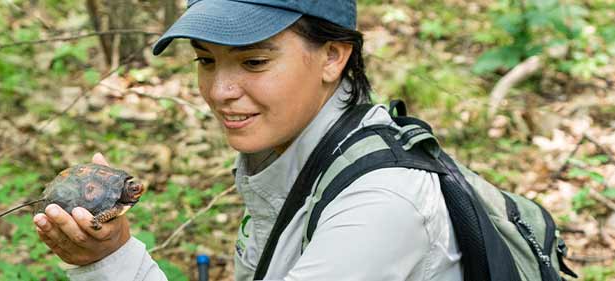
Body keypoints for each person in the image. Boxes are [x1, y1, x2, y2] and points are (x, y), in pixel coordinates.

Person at [32, 0, 463, 280]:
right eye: (205, 60)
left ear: (332, 56)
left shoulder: (379, 207)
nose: (219, 91)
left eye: (254, 61)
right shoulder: (293, 157)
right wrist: (109, 254)